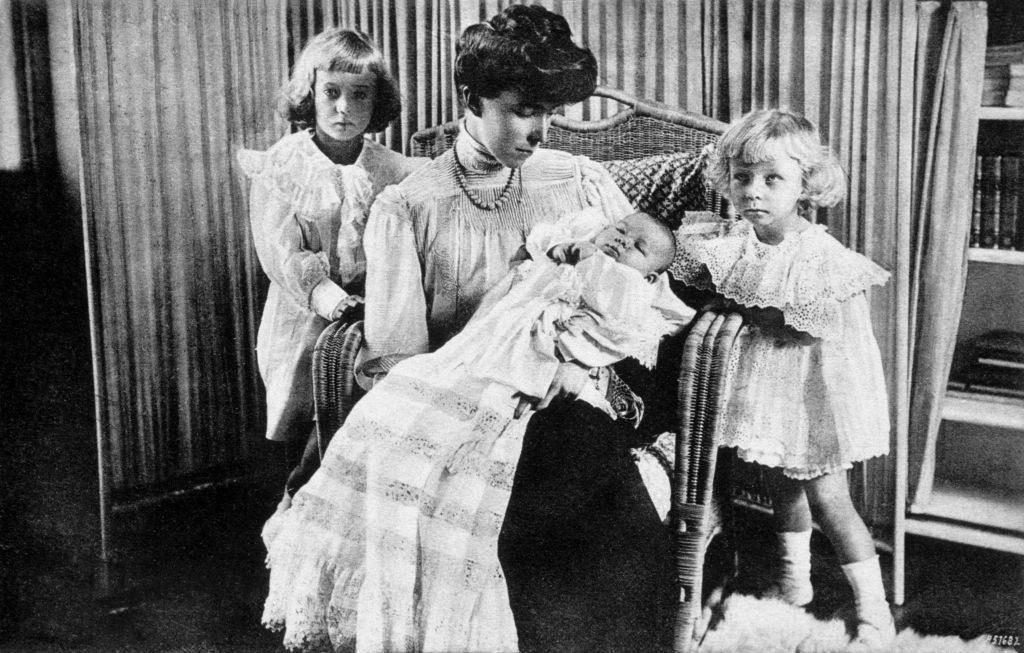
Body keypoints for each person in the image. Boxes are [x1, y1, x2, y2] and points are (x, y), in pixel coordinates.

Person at [352, 6, 674, 651]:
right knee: (515, 488)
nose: (540, 129)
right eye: (523, 109)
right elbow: (397, 354)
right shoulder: (409, 206)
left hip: (580, 385)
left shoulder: (581, 181)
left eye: (549, 112)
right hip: (467, 397)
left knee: (581, 466)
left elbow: (651, 309)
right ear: (470, 99)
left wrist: (572, 366)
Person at [260, 206, 691, 652]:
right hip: (487, 354)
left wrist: (578, 361)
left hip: (554, 374)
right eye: (620, 230)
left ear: (652, 275)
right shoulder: (562, 250)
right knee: (400, 403)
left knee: (511, 454)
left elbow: (621, 333)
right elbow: (531, 262)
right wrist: (564, 254)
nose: (621, 242)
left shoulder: (631, 291)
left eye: (638, 247)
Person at [673, 108, 894, 652]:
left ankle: (875, 611)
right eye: (744, 177)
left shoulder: (816, 254)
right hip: (770, 389)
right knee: (779, 486)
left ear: (805, 185)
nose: (755, 192)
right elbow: (697, 276)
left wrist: (746, 309)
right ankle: (795, 582)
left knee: (829, 500)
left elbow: (807, 326)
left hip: (814, 392)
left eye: (773, 179)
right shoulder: (738, 243)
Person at [237, 28, 424, 504]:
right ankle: (295, 504)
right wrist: (327, 295)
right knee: (303, 413)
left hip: (371, 310)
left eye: (360, 95)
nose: (344, 108)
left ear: (377, 101)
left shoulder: (391, 168)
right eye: (332, 93)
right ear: (310, 94)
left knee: (362, 407)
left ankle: (345, 507)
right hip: (303, 313)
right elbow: (279, 251)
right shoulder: (285, 165)